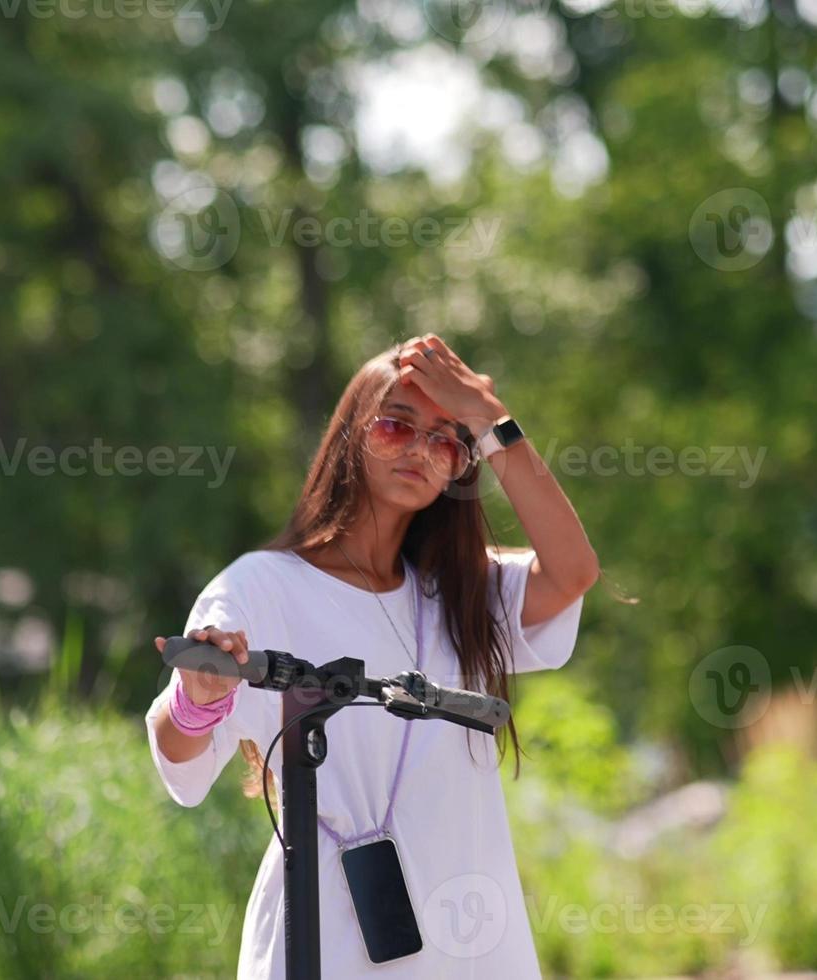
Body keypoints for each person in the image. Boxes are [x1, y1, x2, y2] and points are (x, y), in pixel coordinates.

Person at [145, 333, 601, 978]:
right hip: (324, 933)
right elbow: (179, 762)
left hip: (469, 933)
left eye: (447, 438)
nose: (421, 449)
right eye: (396, 425)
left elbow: (576, 570)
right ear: (349, 437)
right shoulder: (260, 585)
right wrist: (199, 701)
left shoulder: (462, 593)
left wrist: (490, 420)